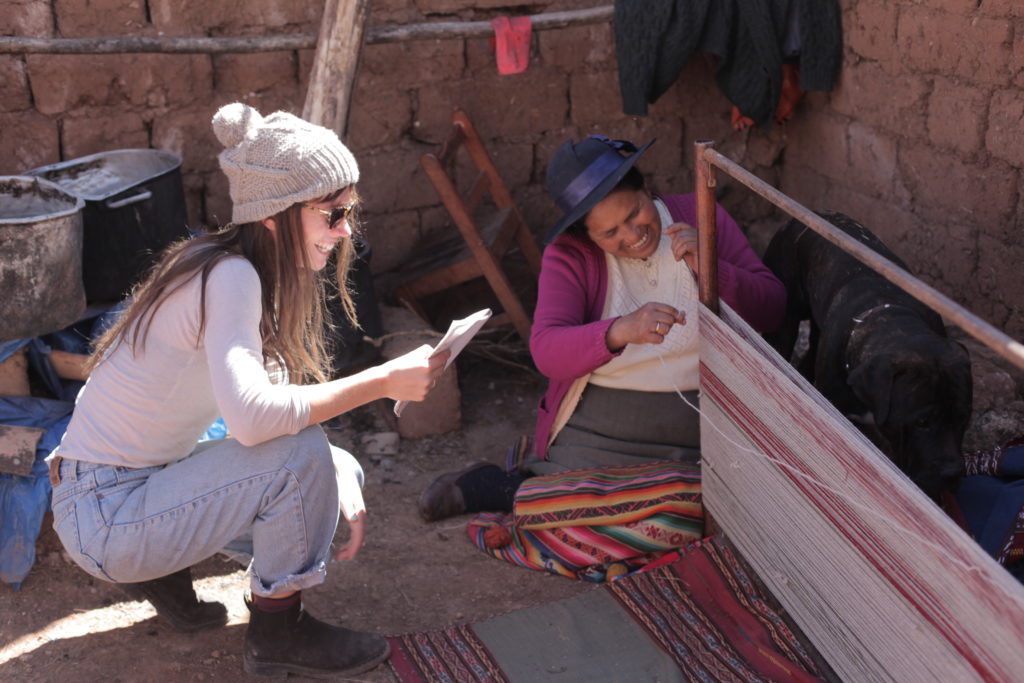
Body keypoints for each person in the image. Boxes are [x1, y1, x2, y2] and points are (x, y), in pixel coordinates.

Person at [46, 103, 449, 678]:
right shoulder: (230, 277)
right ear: (275, 217)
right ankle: (279, 633)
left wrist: (328, 471)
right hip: (108, 515)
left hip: (116, 492)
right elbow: (257, 422)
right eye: (332, 213)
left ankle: (163, 571)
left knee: (328, 465)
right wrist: (381, 382)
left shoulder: (233, 268)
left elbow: (265, 410)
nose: (345, 231)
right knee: (302, 458)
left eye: (349, 212)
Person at [417, 135, 785, 576]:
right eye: (610, 233)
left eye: (635, 213)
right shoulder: (570, 255)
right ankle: (504, 490)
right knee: (678, 515)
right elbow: (547, 351)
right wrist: (618, 331)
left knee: (717, 507)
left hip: (706, 431)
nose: (632, 235)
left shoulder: (700, 217)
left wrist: (713, 269)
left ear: (647, 189)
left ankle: (523, 494)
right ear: (587, 235)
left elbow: (774, 309)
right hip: (598, 439)